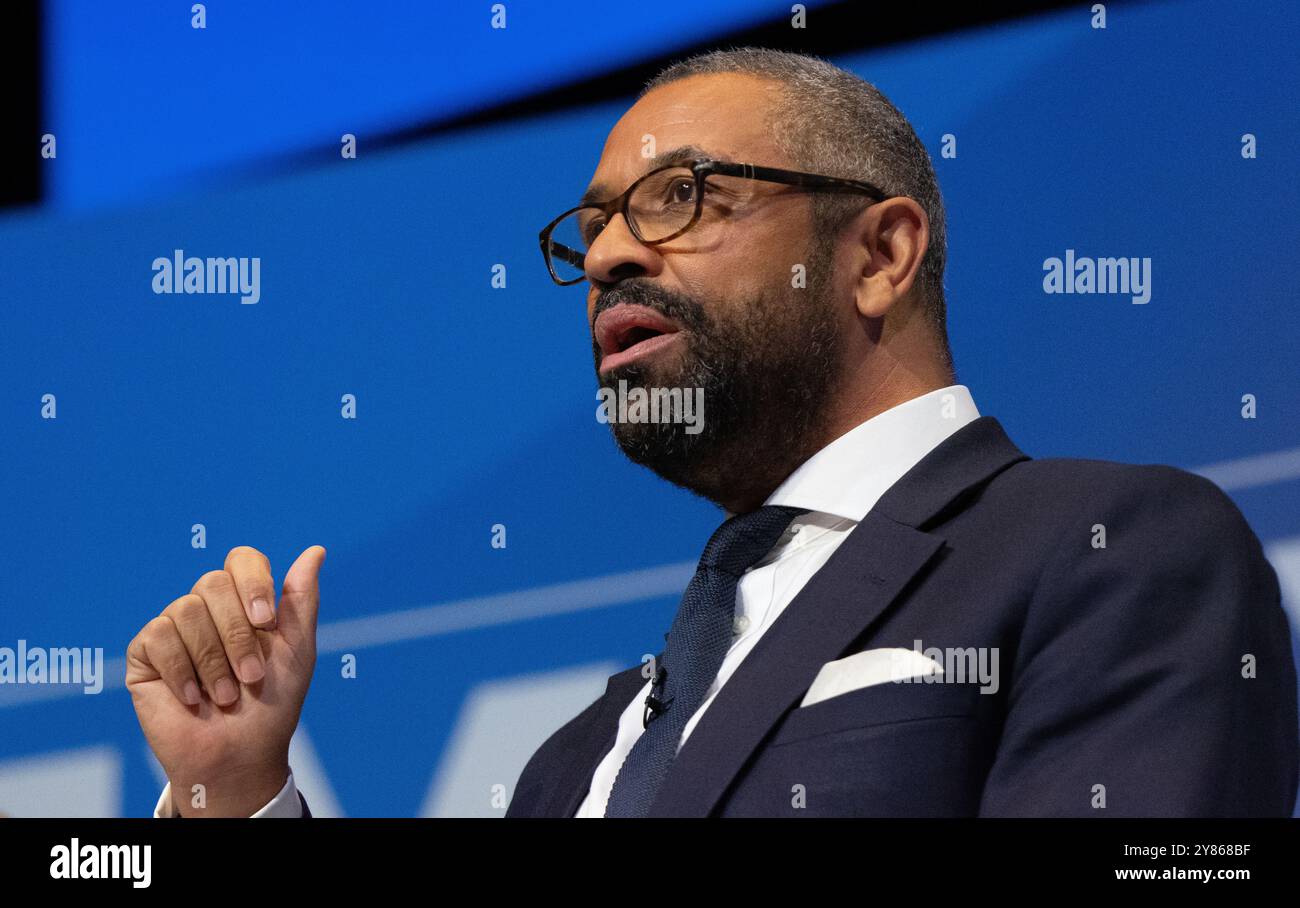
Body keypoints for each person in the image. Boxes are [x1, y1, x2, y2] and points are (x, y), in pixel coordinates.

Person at [128, 48, 1297, 818]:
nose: (609, 257)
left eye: (680, 197)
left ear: (880, 254)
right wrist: (237, 793)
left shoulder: (1112, 550)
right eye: (590, 230)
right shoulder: (577, 759)